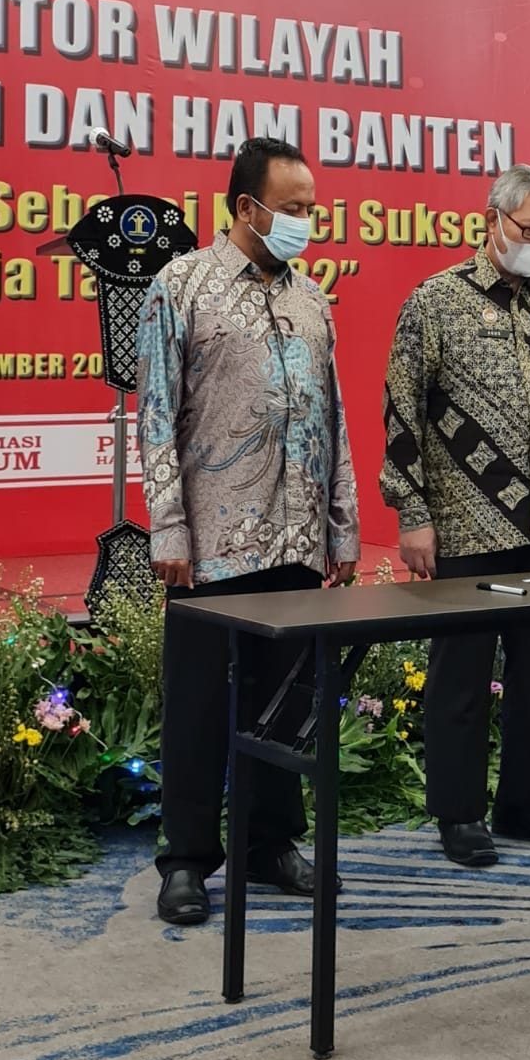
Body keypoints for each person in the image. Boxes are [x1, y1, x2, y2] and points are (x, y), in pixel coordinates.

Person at [137, 137, 359, 926]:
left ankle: (270, 843)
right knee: (200, 705)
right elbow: (156, 417)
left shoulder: (313, 299)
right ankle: (187, 860)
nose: (306, 221)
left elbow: (333, 418)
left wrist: (342, 527)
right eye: (293, 208)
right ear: (246, 206)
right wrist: (168, 531)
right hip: (211, 548)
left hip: (297, 543)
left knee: (285, 705)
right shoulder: (181, 285)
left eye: (311, 208)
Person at [380, 163, 530, 869]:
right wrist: (412, 512)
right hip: (466, 524)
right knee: (462, 676)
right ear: (493, 220)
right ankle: (459, 813)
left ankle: (526, 802)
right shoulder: (435, 302)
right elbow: (400, 409)